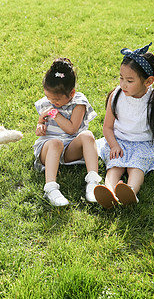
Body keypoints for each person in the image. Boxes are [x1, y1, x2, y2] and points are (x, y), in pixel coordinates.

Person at [94, 43, 154, 208]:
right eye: (121, 78)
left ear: (148, 81)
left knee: (137, 167)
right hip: (119, 141)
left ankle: (130, 192)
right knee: (114, 166)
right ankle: (109, 192)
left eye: (129, 80)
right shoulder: (117, 96)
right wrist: (113, 145)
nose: (123, 84)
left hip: (144, 143)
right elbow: (107, 127)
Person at [33, 58, 100, 206]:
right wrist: (40, 126)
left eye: (56, 100)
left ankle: (93, 183)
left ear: (71, 93)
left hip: (70, 147)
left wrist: (55, 114)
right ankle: (51, 188)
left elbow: (72, 129)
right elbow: (41, 120)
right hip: (49, 149)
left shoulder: (78, 103)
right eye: (48, 97)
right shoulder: (48, 102)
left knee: (87, 136)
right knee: (55, 143)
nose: (51, 102)